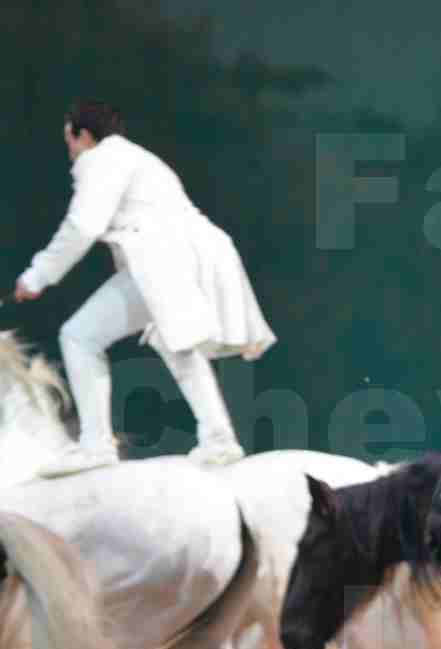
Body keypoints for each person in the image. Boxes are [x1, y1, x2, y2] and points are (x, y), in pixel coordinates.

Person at [12, 100, 275, 477]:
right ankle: (219, 438)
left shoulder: (100, 160)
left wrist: (37, 275)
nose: (69, 149)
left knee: (78, 336)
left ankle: (95, 445)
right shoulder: (133, 157)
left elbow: (83, 226)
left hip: (166, 258)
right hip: (189, 255)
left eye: (68, 139)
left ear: (82, 135)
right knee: (175, 344)